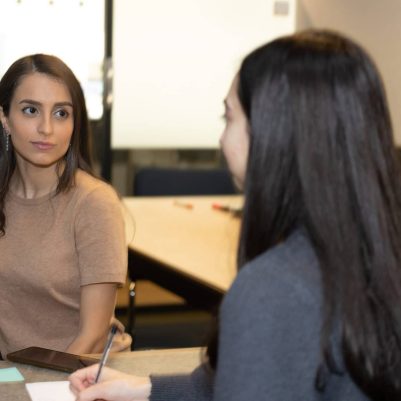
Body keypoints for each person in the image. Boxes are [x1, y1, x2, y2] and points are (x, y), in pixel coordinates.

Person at [70, 29, 401, 401]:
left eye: (228, 118)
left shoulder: (271, 291)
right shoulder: (374, 259)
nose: (222, 139)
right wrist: (142, 388)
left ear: (273, 134)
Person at [0, 54, 130, 358]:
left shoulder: (94, 203)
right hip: (13, 376)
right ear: (4, 118)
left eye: (61, 113)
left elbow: (93, 337)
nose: (46, 128)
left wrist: (38, 390)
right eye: (31, 110)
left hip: (76, 377)